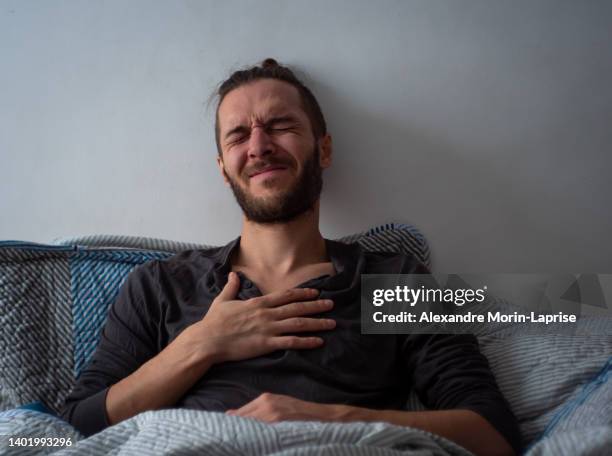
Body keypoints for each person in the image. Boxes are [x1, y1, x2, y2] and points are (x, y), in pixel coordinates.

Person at [61, 58, 521, 456]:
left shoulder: (392, 280)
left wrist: (329, 418)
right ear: (224, 169)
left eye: (280, 126)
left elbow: (494, 434)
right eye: (238, 135)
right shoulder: (159, 285)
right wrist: (200, 345)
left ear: (323, 149)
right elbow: (70, 433)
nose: (258, 146)